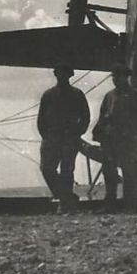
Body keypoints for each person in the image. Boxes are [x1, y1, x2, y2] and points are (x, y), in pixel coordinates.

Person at [37, 63, 90, 210]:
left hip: (69, 137)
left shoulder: (77, 94)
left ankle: (65, 203)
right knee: (46, 168)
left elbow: (85, 115)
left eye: (64, 73)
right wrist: (46, 136)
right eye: (59, 73)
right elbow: (41, 119)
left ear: (69, 75)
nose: (61, 76)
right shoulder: (48, 95)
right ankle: (67, 197)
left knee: (67, 170)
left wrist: (77, 132)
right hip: (52, 137)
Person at [93, 63, 137, 209]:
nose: (115, 79)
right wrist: (100, 134)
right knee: (109, 171)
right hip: (110, 138)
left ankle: (130, 204)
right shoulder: (109, 96)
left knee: (129, 171)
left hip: (127, 139)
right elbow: (102, 117)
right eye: (113, 76)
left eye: (118, 76)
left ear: (125, 77)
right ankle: (110, 203)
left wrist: (131, 135)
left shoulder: (134, 95)